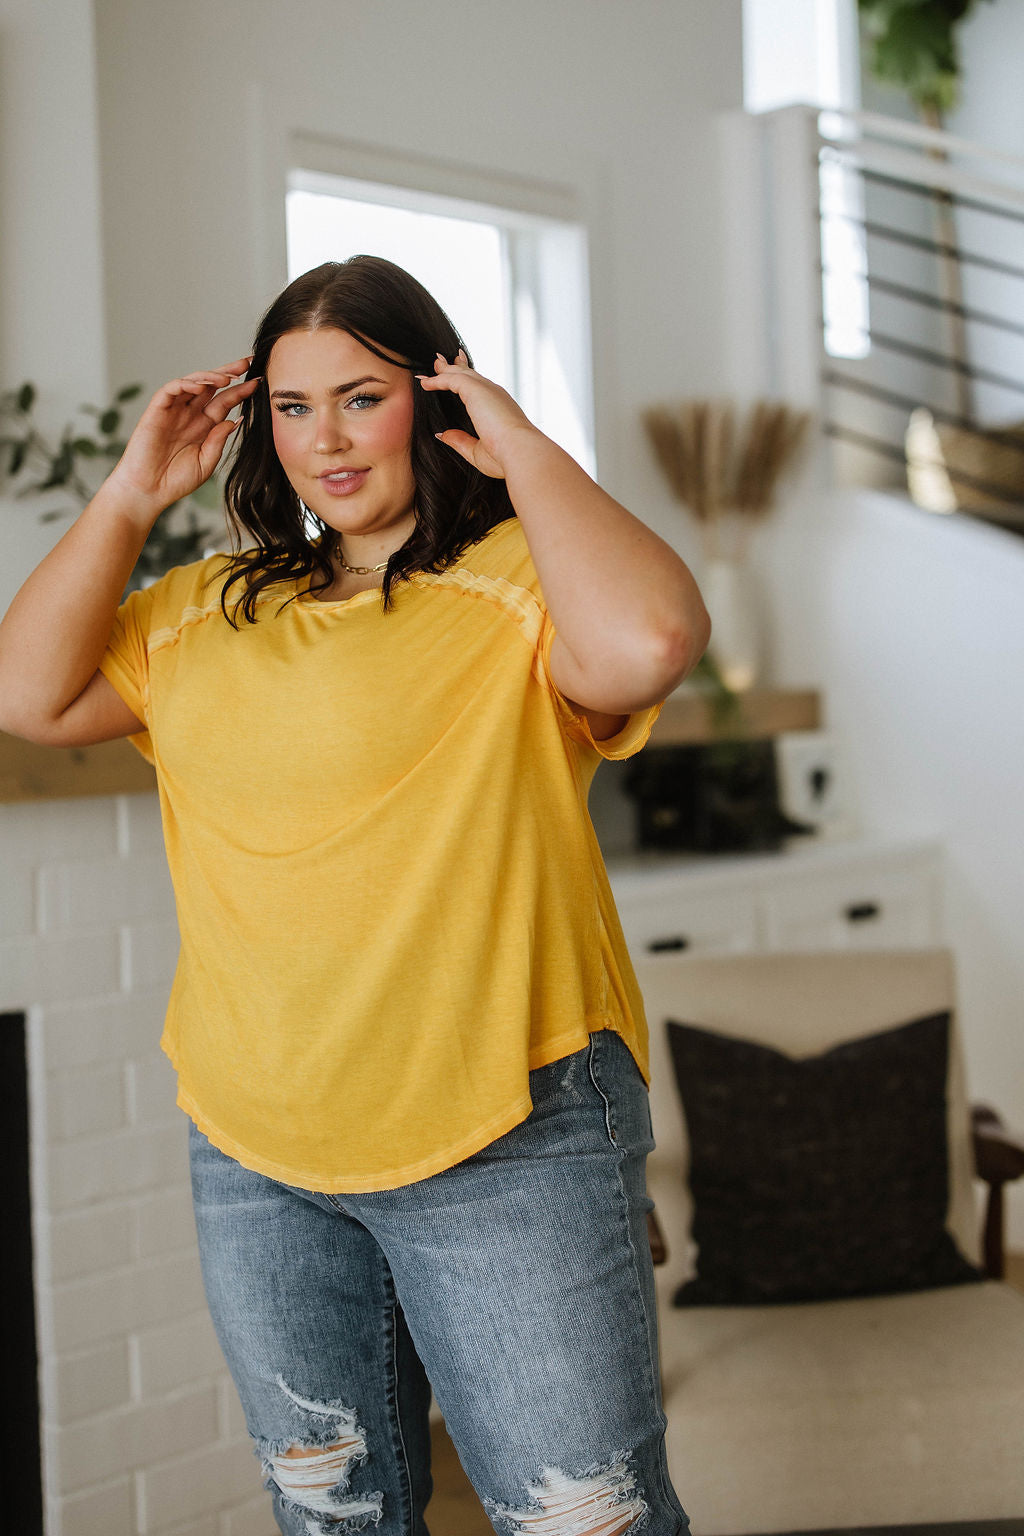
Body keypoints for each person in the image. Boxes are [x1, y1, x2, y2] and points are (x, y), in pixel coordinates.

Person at [0, 256, 710, 1536]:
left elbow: (654, 639)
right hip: (258, 1147)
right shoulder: (204, 609)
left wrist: (527, 451)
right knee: (333, 1521)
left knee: (580, 1520)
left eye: (361, 396)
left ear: (435, 401)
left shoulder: (518, 589)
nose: (323, 437)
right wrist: (129, 489)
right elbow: (29, 697)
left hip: (509, 1127)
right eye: (290, 405)